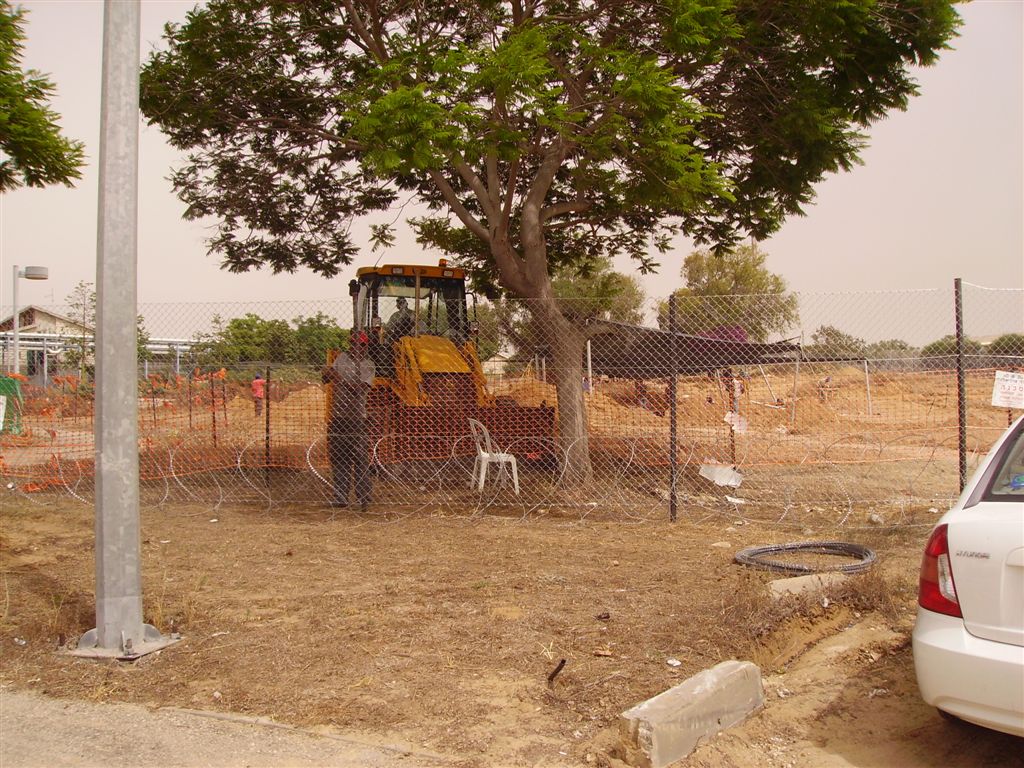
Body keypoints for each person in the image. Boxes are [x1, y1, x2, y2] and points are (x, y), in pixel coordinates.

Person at [322, 331, 376, 510]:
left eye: (359, 344)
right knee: (339, 458)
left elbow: (359, 390)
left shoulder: (368, 365)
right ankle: (340, 497)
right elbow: (326, 378)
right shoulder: (342, 358)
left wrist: (339, 378)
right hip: (339, 416)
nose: (355, 347)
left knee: (360, 459)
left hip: (356, 418)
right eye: (352, 343)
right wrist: (327, 372)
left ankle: (363, 497)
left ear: (365, 346)